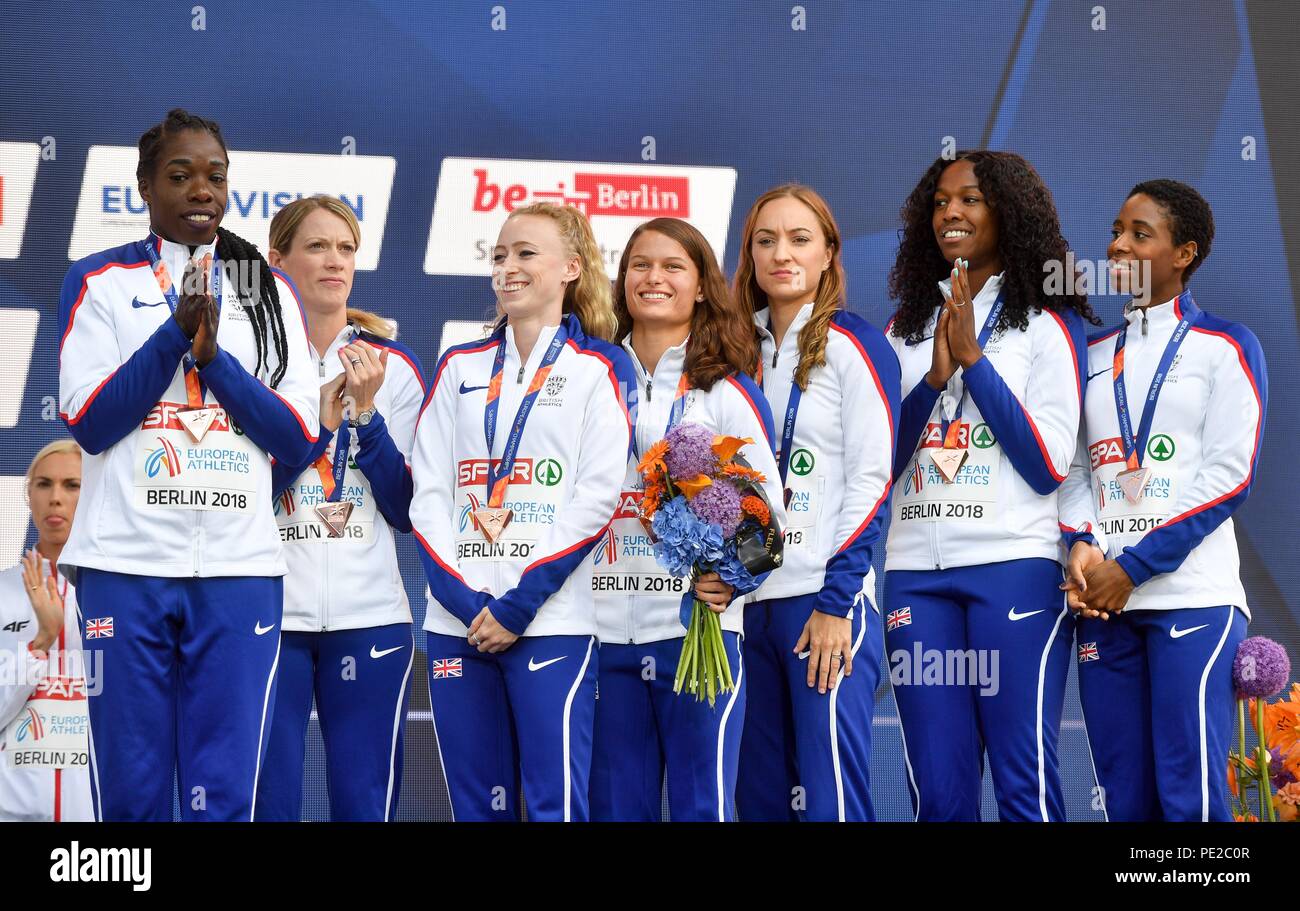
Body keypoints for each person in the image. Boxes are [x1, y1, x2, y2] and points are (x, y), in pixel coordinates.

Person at [57, 109, 319, 821]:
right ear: (146, 186)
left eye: (215, 175)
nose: (202, 189)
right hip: (125, 567)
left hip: (238, 572)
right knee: (132, 792)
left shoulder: (267, 289)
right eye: (180, 175)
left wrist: (215, 364)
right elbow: (91, 421)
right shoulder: (99, 282)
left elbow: (298, 436)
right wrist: (171, 335)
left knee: (227, 794)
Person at [884, 150, 1095, 821]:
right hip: (915, 573)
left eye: (971, 199)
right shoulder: (903, 328)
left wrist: (973, 361)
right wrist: (933, 380)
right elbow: (879, 464)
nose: (952, 211)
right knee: (939, 794)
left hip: (1013, 570)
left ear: (1008, 213)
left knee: (1021, 782)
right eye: (941, 201)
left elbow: (1046, 462)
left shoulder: (1045, 323)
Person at [410, 202, 634, 822]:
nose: (508, 267)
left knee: (554, 804)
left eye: (525, 254)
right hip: (458, 621)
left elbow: (596, 497)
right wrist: (465, 600)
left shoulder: (599, 370)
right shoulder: (460, 365)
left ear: (570, 268)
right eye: (500, 255)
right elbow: (428, 491)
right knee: (477, 808)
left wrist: (516, 604)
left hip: (551, 619)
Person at [1059, 179, 1266, 821]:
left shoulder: (1227, 346)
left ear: (1185, 252)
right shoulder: (1090, 355)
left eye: (1139, 234)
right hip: (1103, 605)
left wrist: (1134, 567)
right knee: (1126, 797)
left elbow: (1229, 477)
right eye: (1116, 231)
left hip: (1192, 598)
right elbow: (1069, 470)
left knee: (1190, 794)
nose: (1117, 244)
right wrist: (1083, 543)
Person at [587, 217, 784, 822]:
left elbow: (770, 520)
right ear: (622, 283)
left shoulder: (725, 389)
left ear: (701, 286)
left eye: (673, 266)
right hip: (597, 633)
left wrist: (735, 578)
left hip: (696, 636)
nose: (654, 278)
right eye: (640, 265)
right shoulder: (588, 376)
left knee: (705, 809)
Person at [251, 196, 426, 822]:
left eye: (346, 248)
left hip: (369, 615)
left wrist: (368, 417)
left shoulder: (394, 367)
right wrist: (319, 429)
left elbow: (407, 508)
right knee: (267, 803)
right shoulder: (253, 364)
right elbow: (240, 499)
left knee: (365, 805)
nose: (335, 261)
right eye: (318, 246)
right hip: (269, 612)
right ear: (277, 262)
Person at [734, 185, 900, 822]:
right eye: (766, 240)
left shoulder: (855, 345)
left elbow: (872, 480)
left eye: (800, 239)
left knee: (830, 802)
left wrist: (836, 603)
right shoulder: (730, 351)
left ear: (830, 252)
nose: (783, 254)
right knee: (759, 802)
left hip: (821, 604)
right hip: (742, 607)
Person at [0, 441, 92, 821]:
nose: (56, 498)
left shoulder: (125, 599)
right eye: (43, 484)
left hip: (94, 814)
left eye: (72, 485)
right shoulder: (3, 592)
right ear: (29, 494)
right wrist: (41, 642)